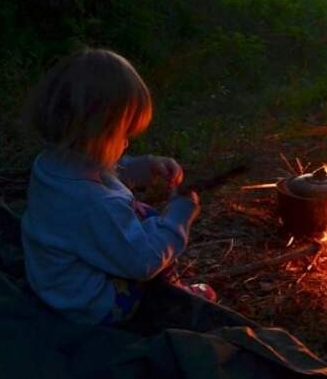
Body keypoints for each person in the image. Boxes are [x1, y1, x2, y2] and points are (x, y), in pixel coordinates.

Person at [21, 48, 215, 327]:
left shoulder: (51, 164)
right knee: (153, 236)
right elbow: (144, 262)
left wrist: (144, 166)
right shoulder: (96, 204)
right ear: (96, 136)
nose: (127, 142)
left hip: (54, 284)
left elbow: (101, 171)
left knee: (143, 216)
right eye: (124, 134)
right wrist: (179, 216)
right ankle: (170, 298)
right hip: (90, 304)